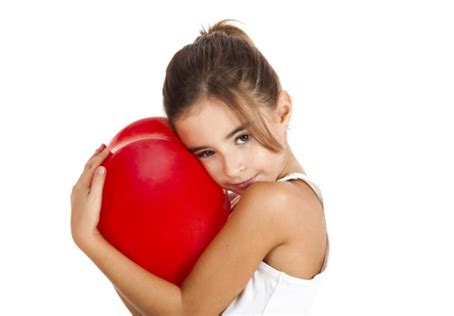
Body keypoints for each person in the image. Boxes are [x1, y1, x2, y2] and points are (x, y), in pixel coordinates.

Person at [70, 19, 329, 315]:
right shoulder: (262, 199)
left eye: (242, 137)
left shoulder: (273, 203)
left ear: (282, 112)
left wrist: (90, 239)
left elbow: (186, 312)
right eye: (207, 152)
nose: (232, 168)